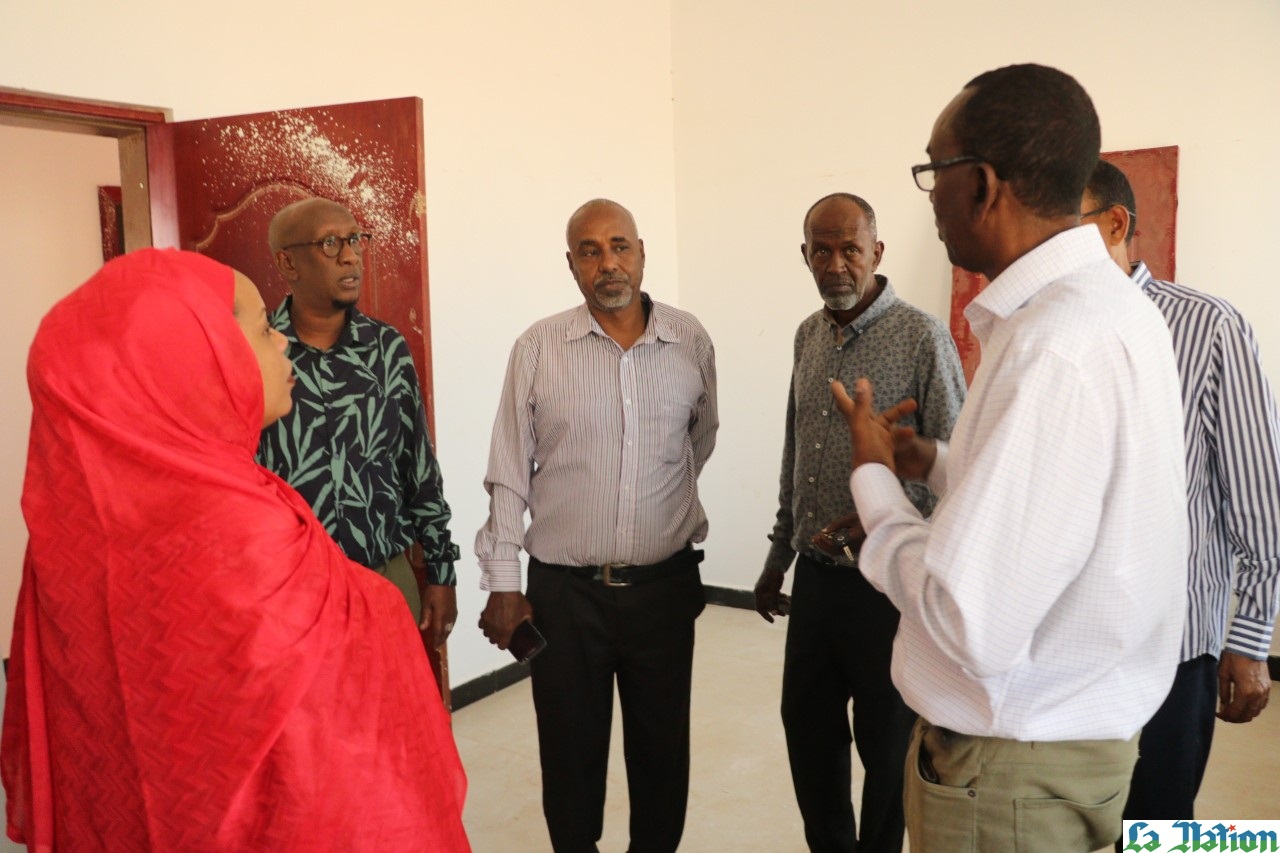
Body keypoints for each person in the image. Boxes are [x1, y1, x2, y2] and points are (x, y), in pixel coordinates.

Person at [1, 249, 468, 850]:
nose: (280, 347)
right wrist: (371, 605)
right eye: (261, 329)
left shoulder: (71, 538)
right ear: (194, 358)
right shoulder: (236, 531)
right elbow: (326, 766)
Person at [833, 64, 1188, 852]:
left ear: (984, 184)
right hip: (1071, 743)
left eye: (933, 170)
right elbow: (1055, 509)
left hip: (1010, 770)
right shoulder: (1112, 312)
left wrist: (873, 480)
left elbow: (967, 616)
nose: (929, 196)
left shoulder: (1049, 346)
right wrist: (929, 462)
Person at [475, 198, 718, 853]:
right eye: (590, 250)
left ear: (641, 252)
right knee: (569, 758)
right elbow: (508, 472)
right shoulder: (538, 348)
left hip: (663, 590)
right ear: (572, 263)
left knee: (663, 758)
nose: (607, 262)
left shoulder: (689, 339)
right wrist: (504, 581)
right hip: (564, 596)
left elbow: (701, 437)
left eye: (620, 245)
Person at [753, 192, 965, 852]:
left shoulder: (922, 335)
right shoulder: (807, 335)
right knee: (807, 729)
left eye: (850, 248)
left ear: (877, 251)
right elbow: (798, 447)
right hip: (817, 581)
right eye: (822, 248)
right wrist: (777, 553)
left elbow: (961, 468)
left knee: (887, 744)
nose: (836, 262)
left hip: (890, 589)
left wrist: (879, 516)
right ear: (805, 255)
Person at [1080, 159, 1280, 822]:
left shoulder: (1209, 328)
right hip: (1074, 650)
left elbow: (1256, 496)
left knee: (1159, 827)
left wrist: (1250, 638)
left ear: (1116, 224)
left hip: (1173, 652)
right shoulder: (1052, 332)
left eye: (1065, 229)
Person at [258, 198, 460, 650]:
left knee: (395, 715)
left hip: (386, 579)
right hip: (290, 591)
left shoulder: (387, 349)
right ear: (287, 262)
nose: (350, 256)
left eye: (355, 240)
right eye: (330, 244)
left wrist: (442, 573)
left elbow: (419, 469)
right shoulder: (258, 354)